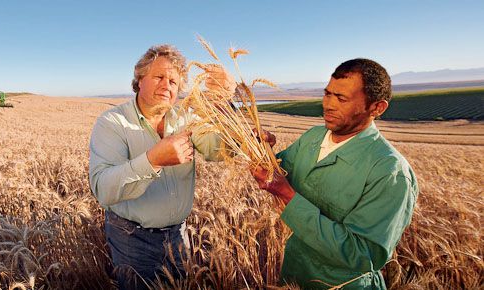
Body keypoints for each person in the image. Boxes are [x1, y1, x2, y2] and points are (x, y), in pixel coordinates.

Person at [250, 58, 418, 289]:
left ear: (377, 108)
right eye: (327, 94)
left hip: (343, 285)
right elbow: (279, 172)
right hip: (293, 273)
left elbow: (364, 255)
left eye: (342, 99)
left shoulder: (390, 172)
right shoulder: (313, 137)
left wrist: (288, 196)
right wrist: (262, 149)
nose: (328, 104)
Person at [88, 44, 228, 290]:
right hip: (132, 239)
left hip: (179, 237)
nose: (167, 85)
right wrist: (153, 160)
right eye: (159, 77)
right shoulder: (113, 123)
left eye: (174, 82)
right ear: (140, 79)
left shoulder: (186, 119)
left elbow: (219, 149)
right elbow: (103, 189)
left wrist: (224, 101)